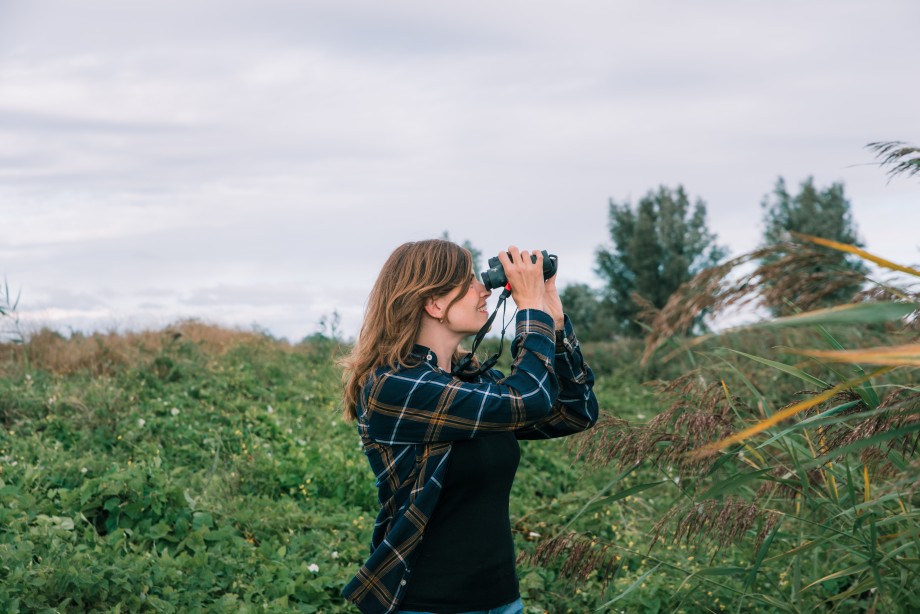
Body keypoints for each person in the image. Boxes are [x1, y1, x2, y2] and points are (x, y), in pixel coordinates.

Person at [340, 239, 598, 614]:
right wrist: (530, 313)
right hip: (427, 604)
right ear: (434, 303)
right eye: (468, 280)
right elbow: (528, 399)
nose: (483, 288)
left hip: (502, 601)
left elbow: (574, 412)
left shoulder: (473, 380)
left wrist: (553, 319)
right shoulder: (393, 387)